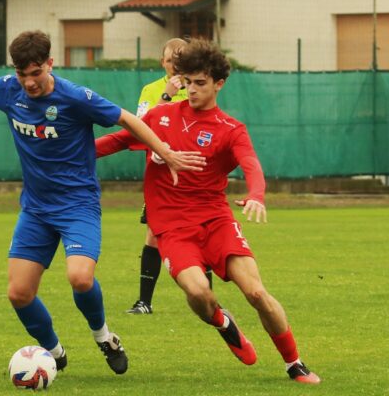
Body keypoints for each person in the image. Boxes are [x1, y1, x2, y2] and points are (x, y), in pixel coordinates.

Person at [0, 30, 205, 375]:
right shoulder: (8, 90)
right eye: (22, 74)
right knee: (18, 293)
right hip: (35, 209)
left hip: (78, 204)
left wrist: (165, 152)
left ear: (50, 63)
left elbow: (126, 118)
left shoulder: (75, 97)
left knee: (79, 277)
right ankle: (53, 351)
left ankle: (105, 337)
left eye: (36, 73)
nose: (29, 82)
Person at [95, 38, 321, 384]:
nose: (192, 89)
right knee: (199, 293)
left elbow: (251, 165)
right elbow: (116, 141)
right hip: (172, 227)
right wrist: (68, 157)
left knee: (257, 293)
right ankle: (222, 322)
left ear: (219, 84)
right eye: (188, 82)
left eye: (200, 83)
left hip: (216, 220)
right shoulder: (160, 116)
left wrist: (256, 194)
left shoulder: (230, 129)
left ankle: (294, 363)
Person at [99, 38, 214, 315]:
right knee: (153, 234)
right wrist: (166, 94)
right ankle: (144, 302)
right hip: (161, 179)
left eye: (180, 58)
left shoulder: (196, 87)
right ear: (162, 62)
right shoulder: (152, 90)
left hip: (193, 176)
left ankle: (210, 302)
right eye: (170, 59)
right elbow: (139, 126)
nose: (175, 64)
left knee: (202, 233)